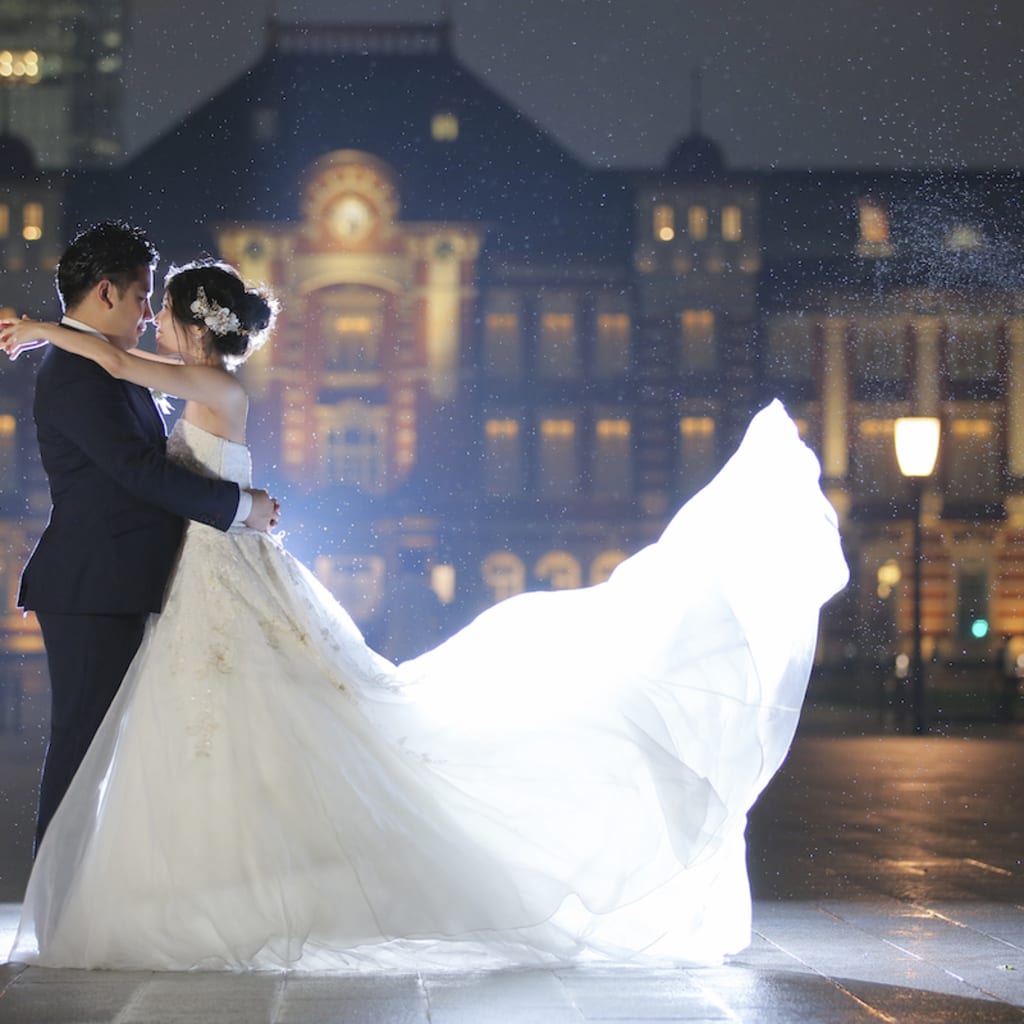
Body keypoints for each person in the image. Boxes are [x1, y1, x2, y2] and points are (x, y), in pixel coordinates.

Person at [1, 261, 848, 971]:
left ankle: (212, 887)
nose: (154, 324)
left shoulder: (202, 384)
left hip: (223, 567)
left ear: (197, 330)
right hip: (219, 568)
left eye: (168, 315)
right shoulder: (206, 382)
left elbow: (116, 371)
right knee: (251, 717)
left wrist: (41, 324)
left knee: (243, 718)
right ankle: (221, 883)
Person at [10, 224, 279, 854]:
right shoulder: (77, 371)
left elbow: (136, 405)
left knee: (112, 744)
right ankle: (60, 904)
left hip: (127, 579)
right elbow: (139, 472)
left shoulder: (110, 363)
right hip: (92, 585)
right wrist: (242, 505)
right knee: (83, 744)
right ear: (105, 292)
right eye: (140, 299)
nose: (146, 315)